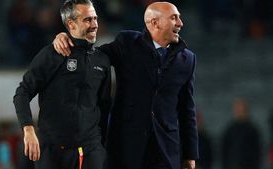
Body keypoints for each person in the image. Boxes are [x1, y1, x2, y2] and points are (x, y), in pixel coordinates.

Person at [53, 2, 199, 169]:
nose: (180, 23)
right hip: (126, 147)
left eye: (179, 18)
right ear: (154, 22)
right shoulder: (128, 43)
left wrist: (189, 155)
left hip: (166, 150)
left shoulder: (188, 59)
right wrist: (68, 40)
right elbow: (93, 55)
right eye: (174, 18)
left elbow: (187, 110)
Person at [13, 0, 111, 169]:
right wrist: (28, 129)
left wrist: (103, 145)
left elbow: (103, 105)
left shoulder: (102, 60)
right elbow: (22, 93)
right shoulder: (52, 54)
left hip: (90, 149)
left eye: (95, 18)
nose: (94, 24)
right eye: (87, 20)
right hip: (52, 150)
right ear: (71, 24)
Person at [221, 98, 261, 169]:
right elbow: (224, 152)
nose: (240, 113)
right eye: (238, 110)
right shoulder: (229, 130)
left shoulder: (252, 131)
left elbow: (257, 153)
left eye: (242, 111)